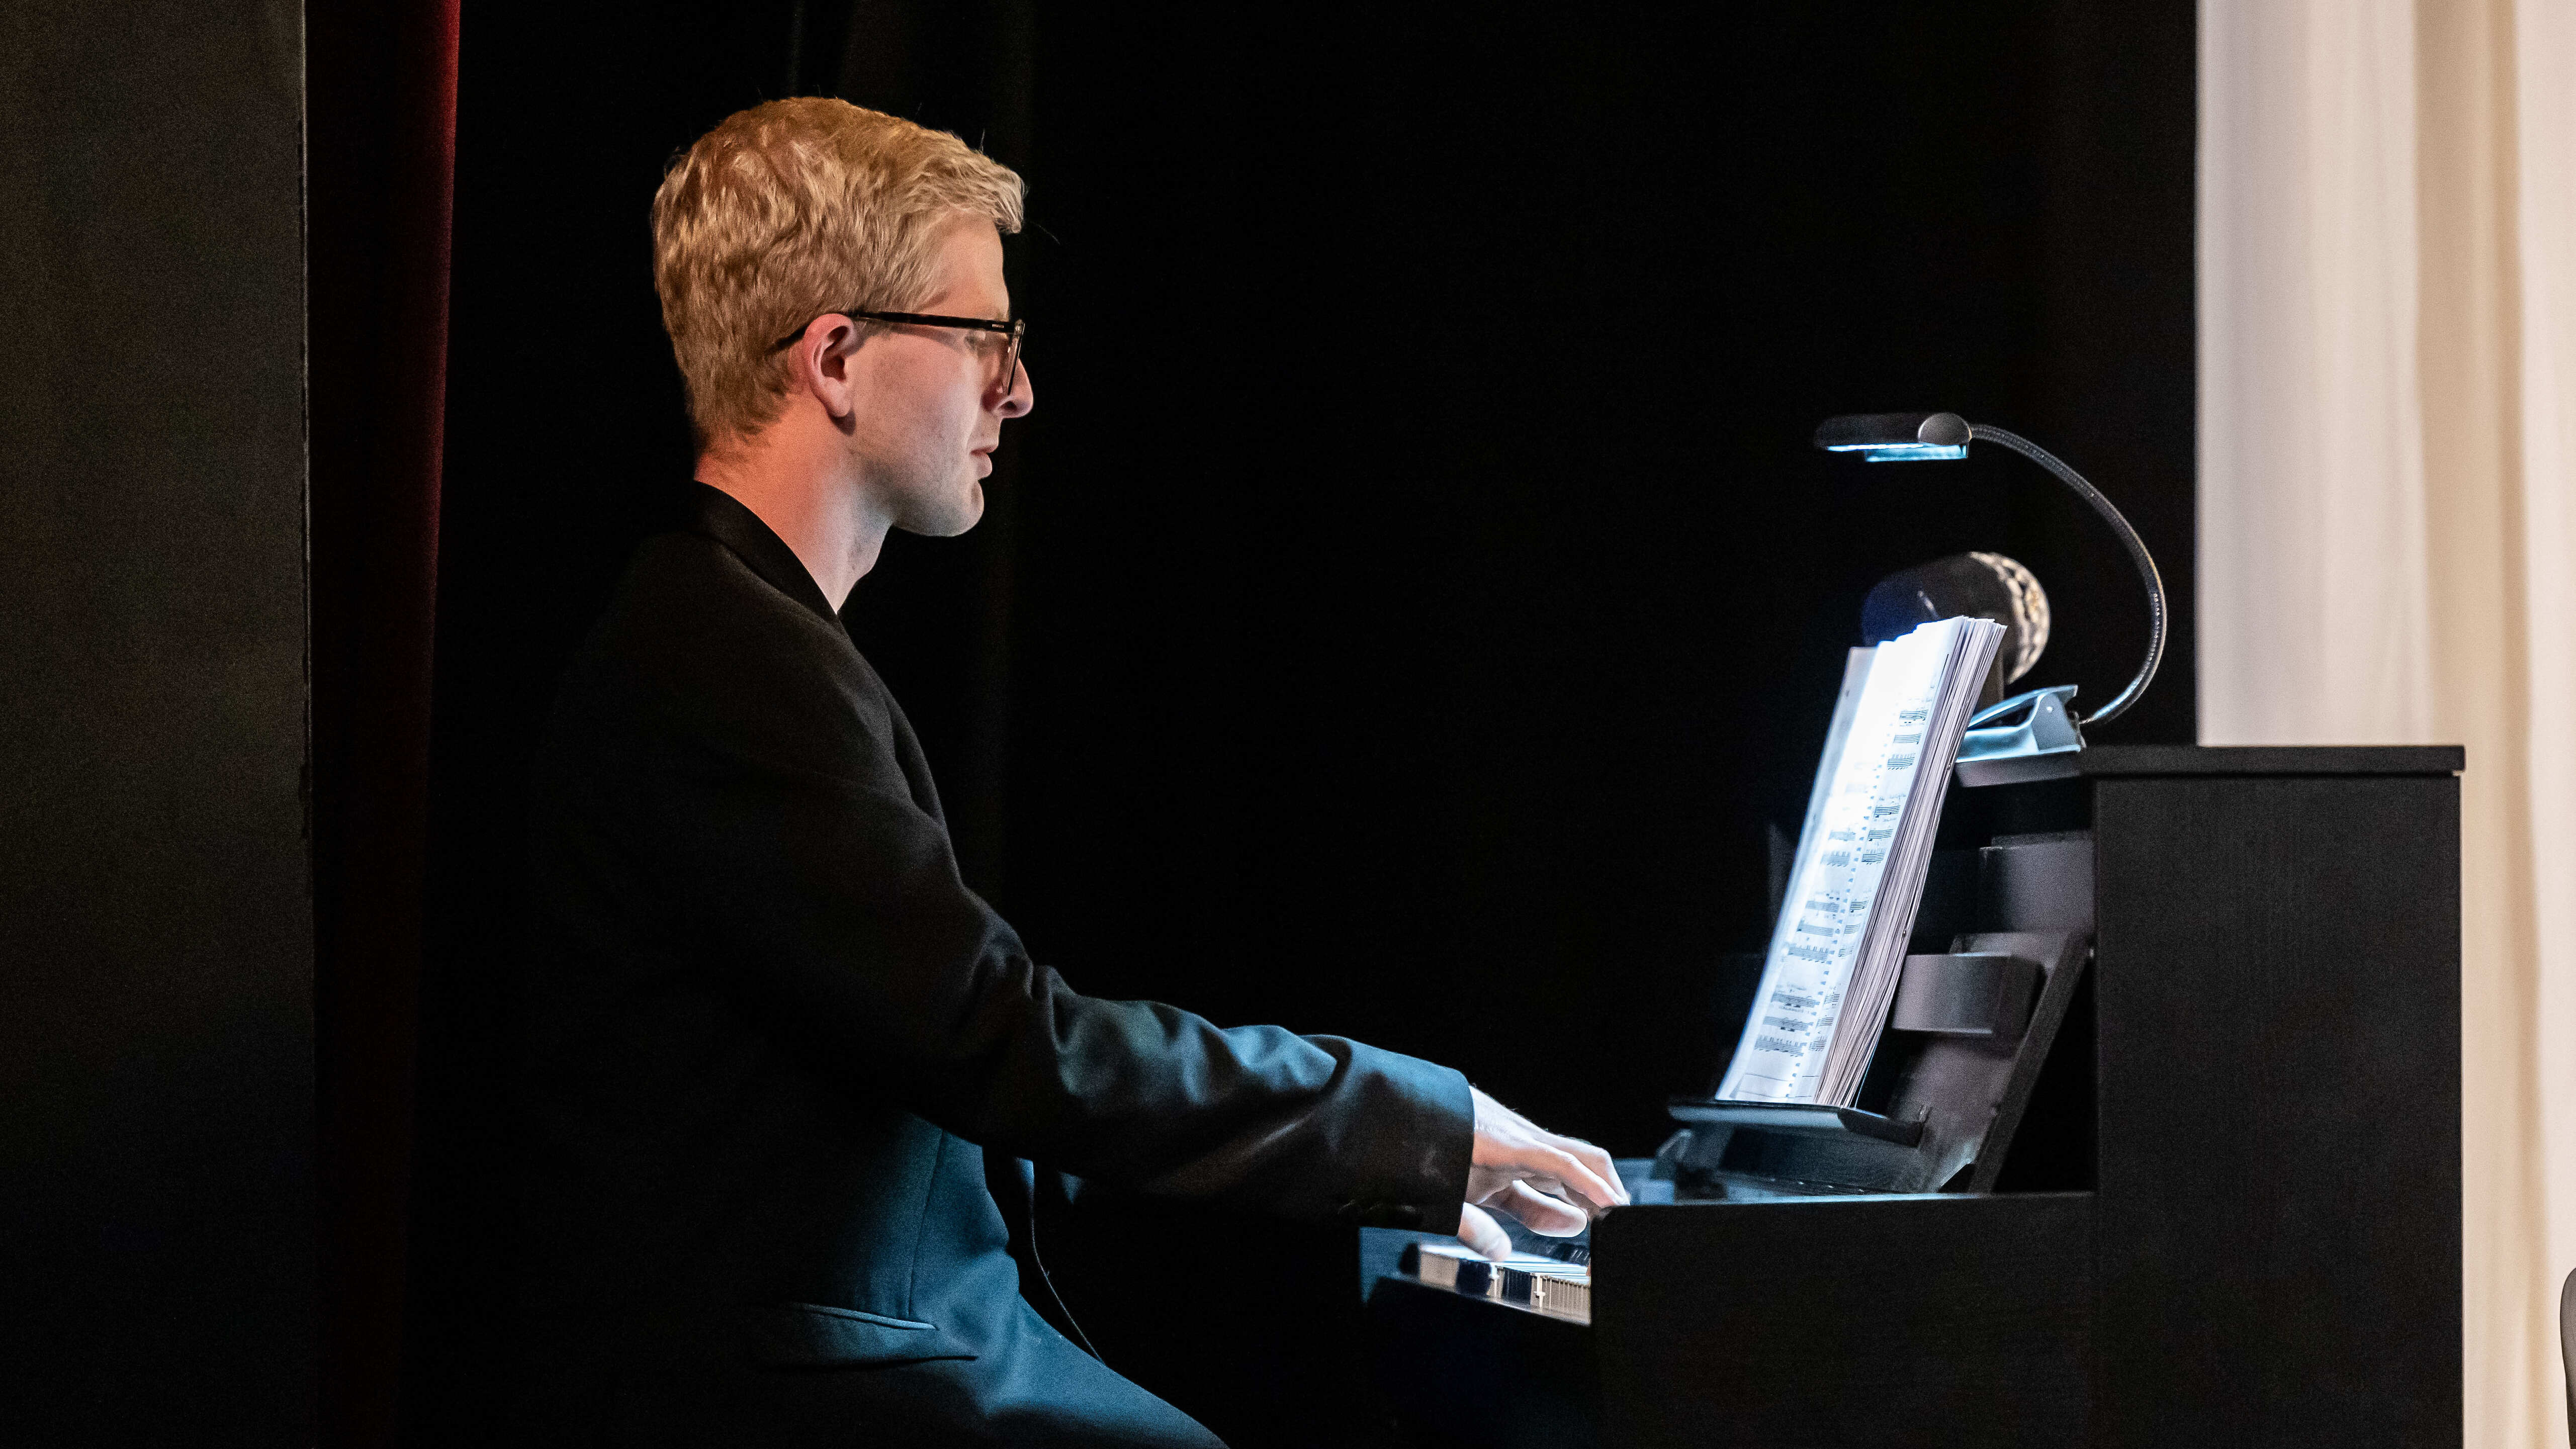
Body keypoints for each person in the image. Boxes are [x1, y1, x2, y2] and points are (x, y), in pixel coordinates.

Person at [514, 97, 1626, 1447]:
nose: (1017, 388)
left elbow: (949, 1078)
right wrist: (1410, 1126)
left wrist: (1379, 1174)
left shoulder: (740, 636)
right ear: (836, 358)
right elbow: (1003, 1042)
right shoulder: (723, 665)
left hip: (872, 1337)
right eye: (982, 338)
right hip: (797, 1381)